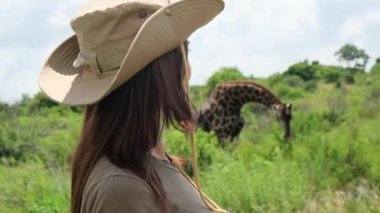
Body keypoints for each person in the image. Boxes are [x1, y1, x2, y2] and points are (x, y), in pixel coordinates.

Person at [39, 0, 226, 212]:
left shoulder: (149, 161)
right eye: (184, 52)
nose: (188, 70)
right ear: (162, 72)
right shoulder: (123, 188)